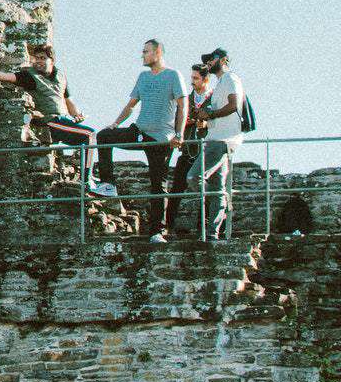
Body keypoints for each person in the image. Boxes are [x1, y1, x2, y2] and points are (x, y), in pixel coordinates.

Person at [0, 42, 116, 196]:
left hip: (64, 121)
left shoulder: (61, 76)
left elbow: (68, 101)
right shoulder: (29, 76)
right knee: (90, 135)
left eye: (42, 58)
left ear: (52, 60)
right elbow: (5, 77)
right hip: (50, 122)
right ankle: (86, 181)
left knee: (88, 138)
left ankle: (88, 177)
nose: (38, 61)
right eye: (35, 58)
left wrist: (76, 115)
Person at [96, 39, 186, 237]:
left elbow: (182, 106)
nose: (142, 55)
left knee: (158, 184)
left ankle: (157, 231)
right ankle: (108, 183)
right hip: (139, 130)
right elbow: (131, 105)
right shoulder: (143, 76)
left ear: (158, 52)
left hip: (161, 137)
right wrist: (116, 123)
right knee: (104, 136)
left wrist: (179, 134)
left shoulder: (173, 75)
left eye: (146, 51)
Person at [196, 47, 245, 240]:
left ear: (223, 60)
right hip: (216, 138)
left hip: (223, 140)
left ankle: (222, 204)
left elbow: (233, 106)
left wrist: (211, 114)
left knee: (194, 177)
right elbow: (216, 115)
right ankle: (213, 233)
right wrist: (205, 120)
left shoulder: (230, 79)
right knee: (217, 187)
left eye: (212, 58)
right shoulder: (219, 85)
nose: (208, 61)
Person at [162, 63, 213, 241]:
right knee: (176, 188)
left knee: (206, 190)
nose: (192, 82)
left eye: (195, 78)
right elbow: (176, 120)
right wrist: (187, 123)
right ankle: (167, 226)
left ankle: (204, 228)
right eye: (191, 78)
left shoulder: (214, 99)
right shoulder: (186, 99)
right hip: (187, 151)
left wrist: (207, 123)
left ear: (205, 79)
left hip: (207, 152)